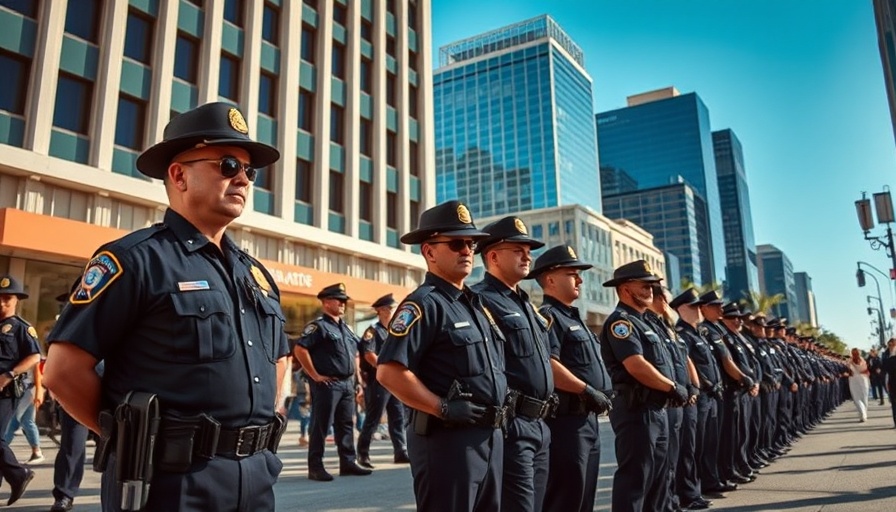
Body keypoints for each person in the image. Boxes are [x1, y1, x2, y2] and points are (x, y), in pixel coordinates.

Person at [43, 102, 291, 511]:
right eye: (229, 165)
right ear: (179, 175)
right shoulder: (134, 260)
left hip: (256, 476)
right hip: (170, 482)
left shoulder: (255, 275)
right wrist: (131, 434)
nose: (243, 179)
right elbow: (63, 371)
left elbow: (278, 358)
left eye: (251, 171)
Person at [376, 200, 508, 512]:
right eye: (456, 243)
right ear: (429, 251)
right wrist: (443, 407)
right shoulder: (423, 304)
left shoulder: (474, 303)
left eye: (471, 243)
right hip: (448, 442)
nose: (467, 251)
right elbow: (389, 371)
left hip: (490, 437)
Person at [472, 217, 553, 512]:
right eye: (518, 249)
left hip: (541, 423)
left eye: (528, 250)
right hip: (513, 424)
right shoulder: (481, 300)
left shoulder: (525, 304)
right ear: (492, 256)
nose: (527, 255)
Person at [529, 245, 612, 512]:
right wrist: (587, 390)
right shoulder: (549, 318)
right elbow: (549, 365)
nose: (580, 280)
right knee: (567, 496)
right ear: (550, 279)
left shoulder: (576, 319)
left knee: (584, 496)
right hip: (566, 423)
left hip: (587, 420)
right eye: (572, 274)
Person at [600, 260, 682, 512]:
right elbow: (635, 364)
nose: (650, 291)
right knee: (636, 478)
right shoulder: (621, 323)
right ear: (625, 289)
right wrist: (671, 387)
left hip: (656, 409)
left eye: (652, 286)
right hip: (637, 410)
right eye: (644, 286)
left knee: (658, 477)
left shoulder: (646, 322)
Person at [294, 283, 371, 481]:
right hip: (328, 384)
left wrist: (357, 382)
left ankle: (348, 463)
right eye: (339, 300)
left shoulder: (346, 328)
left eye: (344, 301)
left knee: (345, 424)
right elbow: (300, 350)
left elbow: (354, 354)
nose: (343, 304)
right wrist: (315, 375)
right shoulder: (319, 326)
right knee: (321, 425)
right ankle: (316, 467)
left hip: (346, 384)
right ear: (326, 302)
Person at [0, 275, 40, 506]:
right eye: (0, 299)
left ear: (16, 301)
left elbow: (34, 356)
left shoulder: (22, 328)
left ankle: (19, 475)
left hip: (6, 391)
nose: (2, 303)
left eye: (8, 299)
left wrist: (8, 375)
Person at [356, 293, 409, 468]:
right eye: (390, 308)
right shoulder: (373, 331)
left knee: (397, 416)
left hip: (395, 381)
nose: (393, 311)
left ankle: (400, 450)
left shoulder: (394, 330)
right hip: (379, 381)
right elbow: (369, 355)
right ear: (381, 310)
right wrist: (387, 369)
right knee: (374, 417)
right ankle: (363, 453)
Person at [2, 359, 44, 465]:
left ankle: (2, 449)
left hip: (27, 389)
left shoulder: (28, 349)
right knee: (26, 420)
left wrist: (39, 390)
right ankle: (36, 452)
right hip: (25, 389)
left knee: (12, 421)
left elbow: (37, 370)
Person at [846, 348, 870, 422]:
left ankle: (862, 414)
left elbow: (849, 372)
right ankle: (863, 414)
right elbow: (867, 371)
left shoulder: (850, 361)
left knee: (857, 398)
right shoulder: (863, 361)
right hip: (863, 379)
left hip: (854, 379)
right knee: (864, 397)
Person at [881, 338, 896, 427]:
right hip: (892, 382)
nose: (891, 347)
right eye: (890, 345)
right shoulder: (886, 355)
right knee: (894, 403)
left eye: (892, 345)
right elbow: (884, 368)